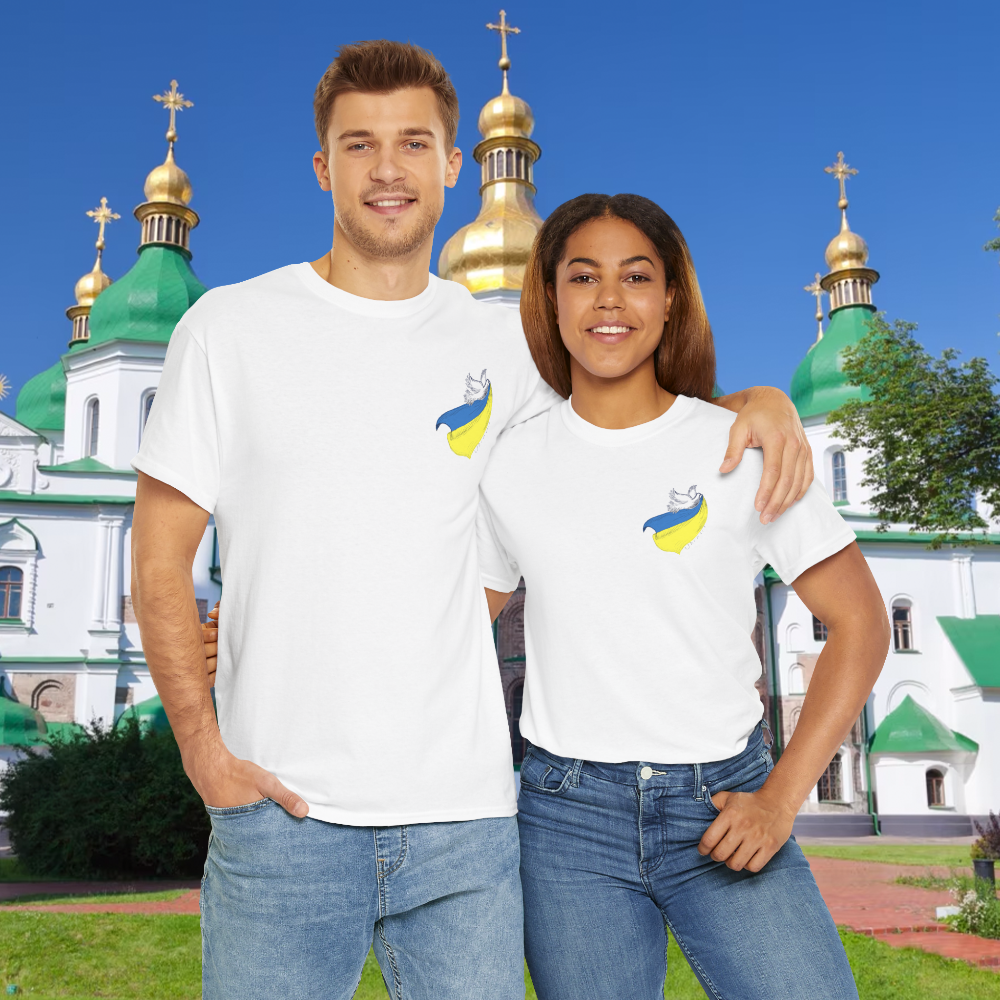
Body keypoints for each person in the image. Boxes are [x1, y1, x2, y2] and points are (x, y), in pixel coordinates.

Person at [132, 41, 816, 1000]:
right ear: (323, 166)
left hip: (469, 823)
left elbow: (642, 413)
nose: (387, 170)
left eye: (414, 143)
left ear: (454, 165)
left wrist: (759, 400)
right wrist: (205, 757)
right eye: (359, 145)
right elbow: (160, 559)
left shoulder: (510, 346)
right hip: (279, 813)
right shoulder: (230, 330)